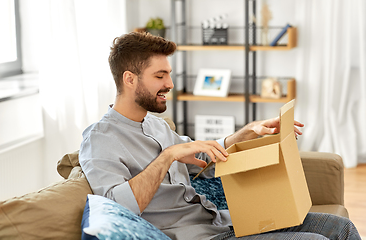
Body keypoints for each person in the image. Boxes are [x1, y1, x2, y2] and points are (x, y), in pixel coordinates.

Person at [79, 32, 360, 240]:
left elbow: (199, 156)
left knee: (340, 228)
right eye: (160, 75)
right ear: (130, 79)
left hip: (221, 221)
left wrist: (244, 134)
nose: (170, 84)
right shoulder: (100, 139)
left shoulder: (156, 125)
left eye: (169, 74)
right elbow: (116, 206)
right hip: (197, 237)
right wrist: (166, 157)